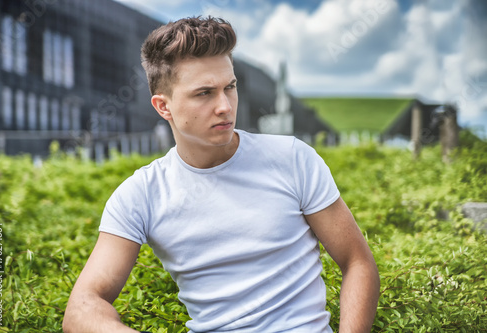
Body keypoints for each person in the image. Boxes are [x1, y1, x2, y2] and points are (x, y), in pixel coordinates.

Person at [62, 16, 380, 333]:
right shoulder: (141, 195)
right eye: (204, 93)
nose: (225, 106)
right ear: (163, 107)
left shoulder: (292, 159)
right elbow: (81, 308)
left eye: (230, 87)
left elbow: (357, 263)